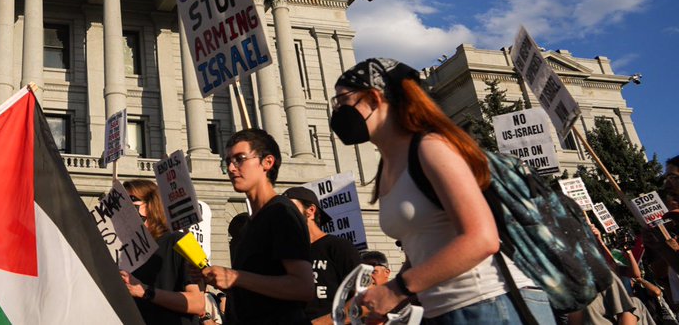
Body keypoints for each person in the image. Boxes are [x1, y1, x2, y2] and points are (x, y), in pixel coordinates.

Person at [331, 57, 554, 325]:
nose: (338, 111)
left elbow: (482, 239)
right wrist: (383, 298)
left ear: (374, 98)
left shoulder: (431, 148)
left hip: (491, 304)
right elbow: (426, 249)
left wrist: (395, 289)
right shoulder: (389, 165)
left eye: (343, 101)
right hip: (445, 311)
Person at [201, 129, 315, 325]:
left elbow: (303, 287)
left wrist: (235, 277)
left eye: (240, 159)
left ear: (267, 162)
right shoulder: (250, 224)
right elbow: (257, 286)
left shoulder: (281, 212)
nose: (231, 167)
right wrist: (218, 278)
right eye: (227, 160)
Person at [118, 179, 204, 325]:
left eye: (131, 201)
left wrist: (145, 291)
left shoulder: (182, 240)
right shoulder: (123, 251)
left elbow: (198, 303)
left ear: (151, 205)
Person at [283, 186, 362, 324]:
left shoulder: (339, 247)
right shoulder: (287, 255)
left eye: (288, 207)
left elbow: (363, 300)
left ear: (311, 211)